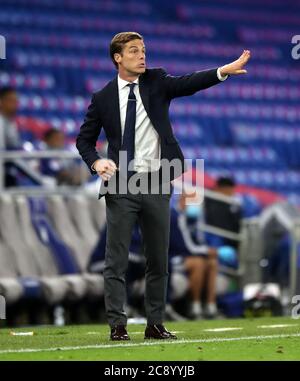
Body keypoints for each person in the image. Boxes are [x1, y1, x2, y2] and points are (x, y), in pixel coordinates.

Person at [76, 32, 250, 341]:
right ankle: (117, 325)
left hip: (157, 180)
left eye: (143, 50)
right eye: (133, 51)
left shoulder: (156, 81)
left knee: (158, 258)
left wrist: (223, 71)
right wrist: (96, 162)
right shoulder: (102, 98)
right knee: (115, 259)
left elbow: (188, 82)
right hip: (122, 183)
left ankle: (155, 324)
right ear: (118, 57)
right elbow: (84, 140)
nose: (142, 55)